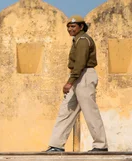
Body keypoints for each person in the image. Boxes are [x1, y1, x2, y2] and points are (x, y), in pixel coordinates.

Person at [45, 15, 108, 152]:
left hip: (83, 75)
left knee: (90, 111)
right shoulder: (77, 40)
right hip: (78, 76)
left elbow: (80, 63)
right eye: (68, 26)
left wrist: (70, 82)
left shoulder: (83, 40)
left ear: (81, 27)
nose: (70, 29)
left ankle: (100, 145)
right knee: (66, 110)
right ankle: (56, 145)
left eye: (73, 26)